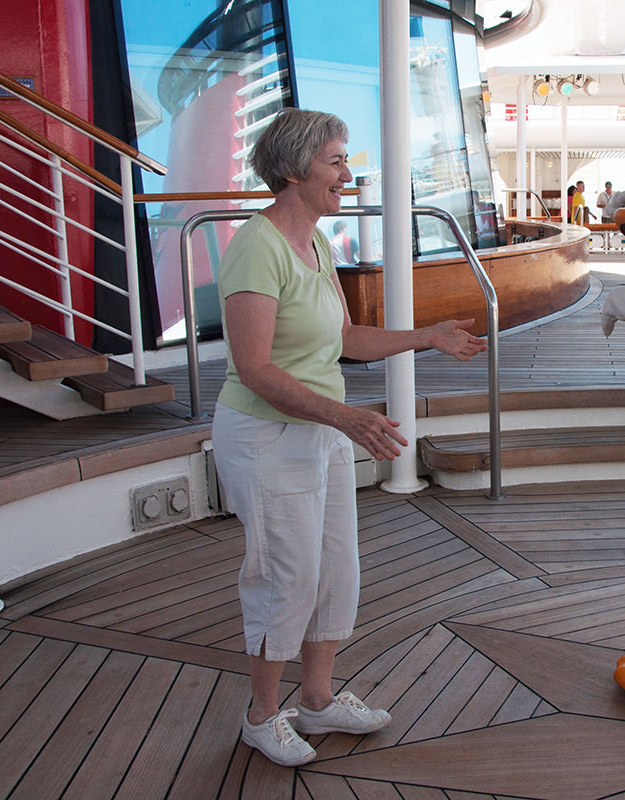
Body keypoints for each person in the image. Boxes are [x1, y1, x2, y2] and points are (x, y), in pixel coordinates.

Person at [211, 108, 487, 767]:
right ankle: (260, 716)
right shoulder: (257, 244)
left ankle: (318, 699)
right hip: (268, 434)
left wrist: (426, 337)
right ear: (291, 169)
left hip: (323, 429)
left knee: (337, 570)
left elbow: (342, 341)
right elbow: (255, 367)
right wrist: (345, 418)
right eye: (335, 160)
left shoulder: (316, 243)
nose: (348, 172)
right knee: (288, 575)